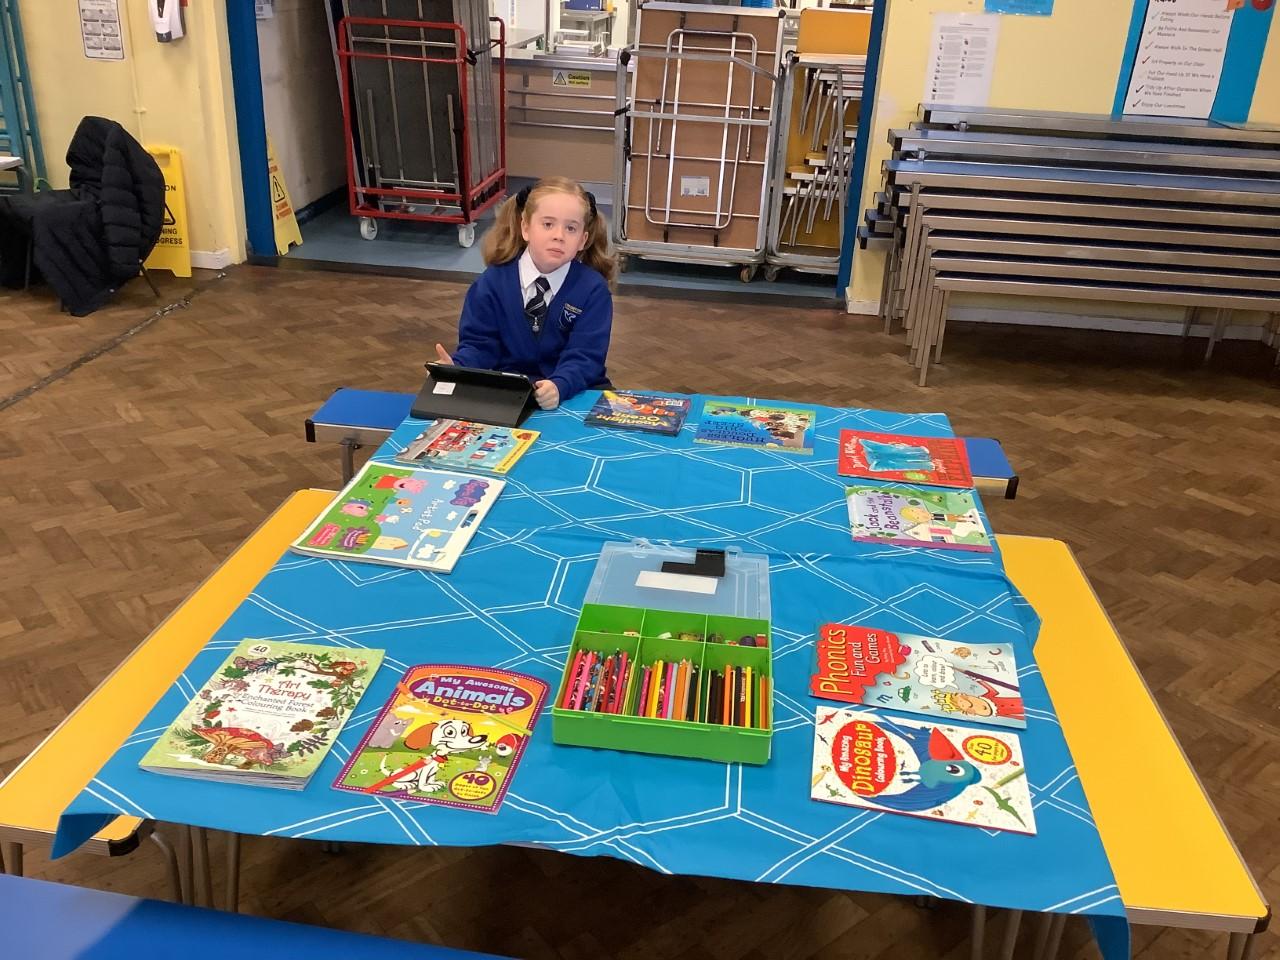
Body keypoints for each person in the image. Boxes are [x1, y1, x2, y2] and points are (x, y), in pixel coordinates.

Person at [434, 177, 617, 410]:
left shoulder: (593, 290)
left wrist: (560, 385)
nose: (559, 235)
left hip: (576, 390)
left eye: (571, 228)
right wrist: (456, 366)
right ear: (526, 228)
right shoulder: (492, 283)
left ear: (583, 240)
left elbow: (586, 356)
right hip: (509, 391)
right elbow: (480, 345)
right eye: (548, 224)